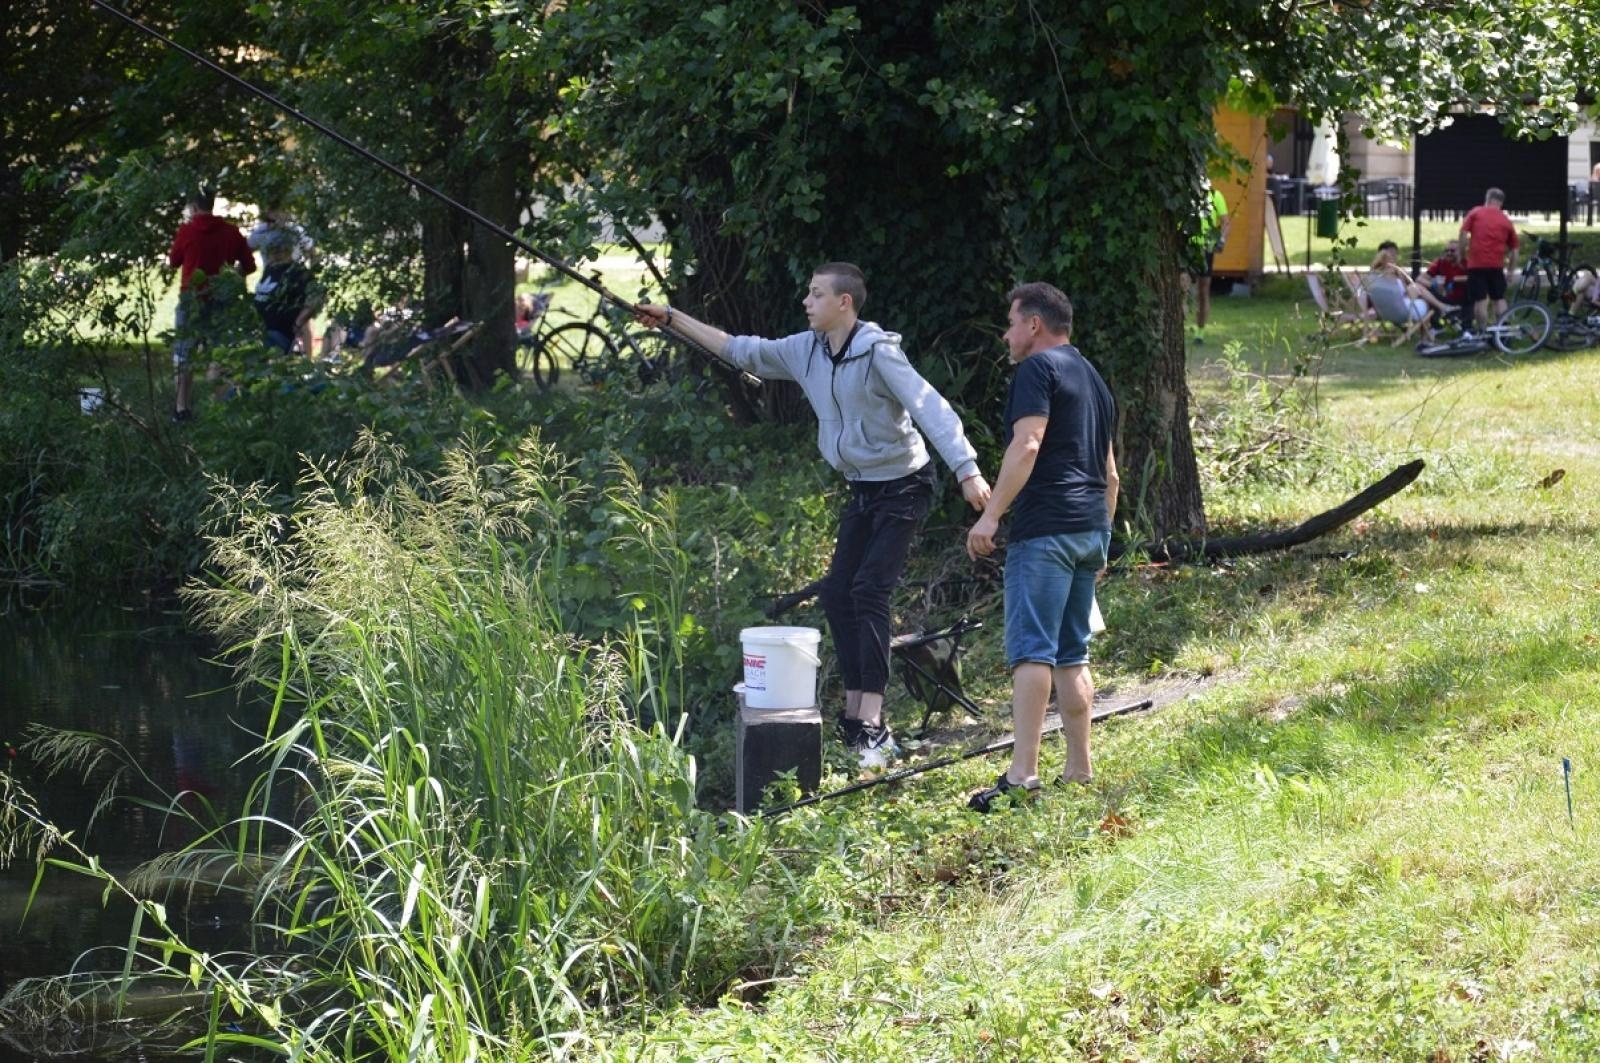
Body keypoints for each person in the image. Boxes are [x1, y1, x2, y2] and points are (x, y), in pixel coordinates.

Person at [634, 263, 992, 767]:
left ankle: (873, 723)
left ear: (844, 302)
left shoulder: (879, 353)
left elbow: (930, 407)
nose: (806, 301)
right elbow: (739, 349)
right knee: (837, 592)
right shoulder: (806, 349)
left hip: (905, 485)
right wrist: (672, 318)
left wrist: (967, 469)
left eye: (816, 293)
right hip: (862, 488)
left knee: (869, 591)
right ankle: (854, 713)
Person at [965, 282, 1117, 812]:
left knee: (1033, 651)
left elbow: (1028, 443)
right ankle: (1079, 770)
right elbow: (1111, 475)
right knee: (1073, 653)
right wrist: (1101, 538)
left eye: (1010, 323)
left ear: (1034, 324)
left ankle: (1022, 776)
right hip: (1089, 529)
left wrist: (990, 514)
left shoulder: (1037, 369)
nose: (1006, 335)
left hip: (1046, 531)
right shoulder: (1093, 378)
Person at [167, 189, 254, 422]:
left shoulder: (187, 231)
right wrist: (232, 278)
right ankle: (220, 409)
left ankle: (181, 409)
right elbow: (249, 265)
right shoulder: (231, 232)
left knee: (184, 355)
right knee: (221, 353)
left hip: (191, 299)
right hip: (222, 299)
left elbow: (173, 261)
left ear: (194, 207)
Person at [1459, 187, 1520, 331]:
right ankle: (1503, 331)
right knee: (1499, 298)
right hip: (1496, 266)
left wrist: (1462, 255)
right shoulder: (1506, 220)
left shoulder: (1475, 212)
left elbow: (1463, 234)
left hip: (1476, 264)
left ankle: (1482, 331)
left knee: (1480, 300)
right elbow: (1515, 250)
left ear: (1488, 199)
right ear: (1501, 202)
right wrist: (1510, 271)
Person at [1366, 240, 1452, 335]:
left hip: (1384, 313)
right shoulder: (1392, 274)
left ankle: (1440, 313)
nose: (1395, 256)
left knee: (1417, 289)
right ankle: (1434, 324)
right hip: (1401, 311)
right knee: (1422, 295)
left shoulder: (1373, 277)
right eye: (1392, 254)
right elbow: (1406, 289)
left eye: (1395, 253)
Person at [253, 238, 323, 353]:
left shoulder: (297, 272)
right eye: (271, 251)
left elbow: (315, 298)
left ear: (287, 251)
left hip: (280, 333)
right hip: (260, 329)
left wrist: (298, 323)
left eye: (277, 251)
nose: (273, 255)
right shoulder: (270, 268)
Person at [1187, 180, 1231, 345]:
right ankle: (1179, 330)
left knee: (1203, 290)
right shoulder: (1187, 196)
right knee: (1182, 288)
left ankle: (1200, 333)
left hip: (1206, 248)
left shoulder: (1215, 196)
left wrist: (1222, 240)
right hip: (1188, 248)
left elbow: (1226, 222)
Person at [1424, 240, 1470, 307]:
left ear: (1460, 252)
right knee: (1416, 287)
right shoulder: (1440, 262)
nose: (1449, 253)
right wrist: (1434, 285)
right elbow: (1420, 279)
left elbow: (1476, 278)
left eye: (1452, 251)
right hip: (1444, 296)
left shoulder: (1467, 262)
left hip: (1463, 299)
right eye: (1446, 251)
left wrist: (1456, 279)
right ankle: (1443, 308)